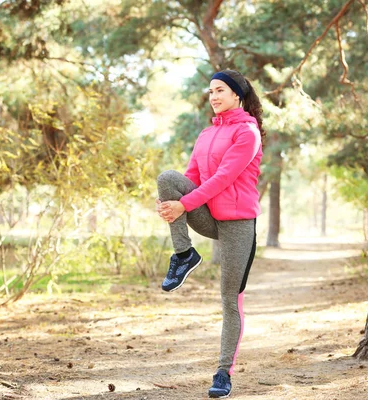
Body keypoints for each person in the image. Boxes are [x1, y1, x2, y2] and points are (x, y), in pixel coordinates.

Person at [156, 69, 264, 399]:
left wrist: (182, 205)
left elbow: (223, 178)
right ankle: (184, 254)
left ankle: (223, 373)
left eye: (220, 90)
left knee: (230, 300)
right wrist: (170, 205)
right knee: (167, 179)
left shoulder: (248, 132)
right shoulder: (205, 135)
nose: (213, 96)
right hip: (207, 216)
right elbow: (190, 177)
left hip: (238, 224)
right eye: (210, 91)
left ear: (237, 95)